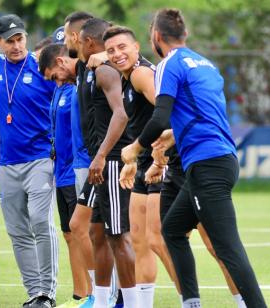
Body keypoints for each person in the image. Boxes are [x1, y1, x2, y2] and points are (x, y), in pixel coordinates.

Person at [121, 8, 267, 308]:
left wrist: (135, 149)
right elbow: (206, 116)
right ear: (184, 34)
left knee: (228, 248)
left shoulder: (167, 64)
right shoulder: (206, 64)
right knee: (172, 230)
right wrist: (172, 139)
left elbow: (160, 116)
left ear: (156, 37)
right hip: (219, 159)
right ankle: (191, 303)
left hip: (206, 165)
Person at [0, 14, 59, 308]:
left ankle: (47, 292)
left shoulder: (40, 65)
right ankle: (34, 293)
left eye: (20, 39)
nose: (16, 46)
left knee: (40, 221)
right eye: (9, 41)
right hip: (7, 163)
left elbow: (65, 91)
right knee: (17, 231)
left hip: (40, 159)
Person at [101, 26, 169, 307]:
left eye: (122, 47)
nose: (117, 54)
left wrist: (154, 152)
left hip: (162, 163)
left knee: (161, 242)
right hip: (143, 163)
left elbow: (167, 114)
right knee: (141, 241)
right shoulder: (127, 79)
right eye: (110, 51)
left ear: (137, 47)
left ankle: (190, 299)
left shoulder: (141, 73)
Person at [77, 18, 136, 308]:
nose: (70, 43)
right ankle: (101, 301)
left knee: (118, 236)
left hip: (112, 161)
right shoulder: (86, 67)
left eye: (75, 39)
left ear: (88, 42)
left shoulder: (104, 69)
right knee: (96, 233)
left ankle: (135, 303)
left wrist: (100, 156)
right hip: (100, 163)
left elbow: (121, 114)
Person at [40, 29, 94, 308]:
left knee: (83, 231)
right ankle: (79, 294)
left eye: (52, 75)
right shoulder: (60, 89)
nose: (53, 80)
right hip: (60, 173)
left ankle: (94, 294)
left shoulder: (77, 88)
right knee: (70, 233)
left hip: (78, 170)